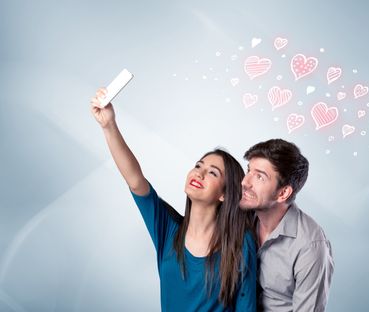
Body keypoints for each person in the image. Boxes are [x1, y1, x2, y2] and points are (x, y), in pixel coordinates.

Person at [90, 88, 256, 311]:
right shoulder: (167, 229)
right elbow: (136, 181)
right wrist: (108, 125)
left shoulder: (240, 244)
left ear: (224, 194)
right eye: (198, 166)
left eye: (213, 173)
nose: (199, 173)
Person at [239, 139, 334, 312]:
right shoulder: (241, 219)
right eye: (248, 171)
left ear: (283, 193)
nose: (245, 182)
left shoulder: (310, 245)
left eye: (259, 176)